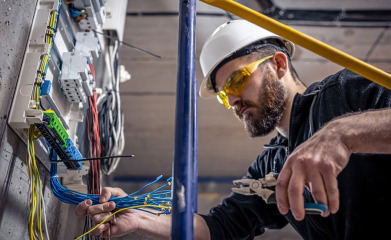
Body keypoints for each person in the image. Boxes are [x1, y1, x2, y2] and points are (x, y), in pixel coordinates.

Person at [76, 20, 391, 239]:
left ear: (279, 65)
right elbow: (218, 229)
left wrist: (342, 133)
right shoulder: (269, 168)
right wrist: (138, 218)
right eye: (225, 95)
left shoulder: (345, 94)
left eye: (238, 80)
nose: (234, 100)